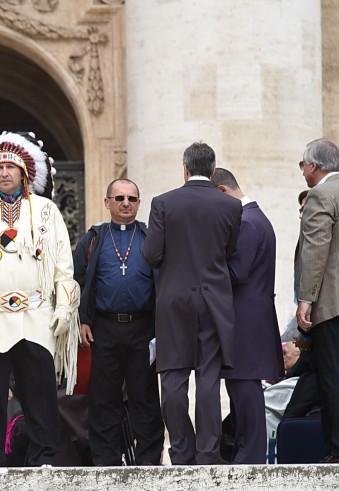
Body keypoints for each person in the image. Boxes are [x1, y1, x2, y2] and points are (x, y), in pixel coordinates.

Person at [0, 131, 80, 467]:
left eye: (12, 167)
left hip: (35, 311)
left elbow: (63, 266)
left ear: (24, 174)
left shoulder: (46, 211)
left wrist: (65, 306)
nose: (5, 172)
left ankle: (43, 458)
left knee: (39, 389)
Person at [141, 142, 242, 465]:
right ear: (213, 172)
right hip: (214, 301)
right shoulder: (230, 206)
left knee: (172, 379)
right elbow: (229, 252)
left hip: (173, 302)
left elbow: (152, 255)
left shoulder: (163, 203)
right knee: (209, 379)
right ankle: (208, 454)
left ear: (184, 169)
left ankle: (181, 452)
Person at [72, 178, 164, 466]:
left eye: (132, 199)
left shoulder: (151, 237)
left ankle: (148, 460)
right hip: (104, 328)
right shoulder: (93, 239)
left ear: (139, 203)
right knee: (104, 398)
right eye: (120, 198)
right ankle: (105, 461)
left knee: (145, 396)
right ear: (107, 202)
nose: (126, 203)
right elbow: (78, 282)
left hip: (142, 328)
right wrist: (83, 321)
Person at [210, 168, 283, 464]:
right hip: (247, 319)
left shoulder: (248, 222)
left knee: (245, 389)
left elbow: (236, 272)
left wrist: (207, 263)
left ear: (223, 193)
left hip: (246, 322)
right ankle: (244, 452)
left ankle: (250, 456)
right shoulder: (252, 218)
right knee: (240, 388)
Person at [295, 137, 339, 463]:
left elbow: (315, 250)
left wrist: (305, 300)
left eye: (303, 165)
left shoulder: (321, 194)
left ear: (314, 166)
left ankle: (335, 451)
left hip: (333, 306)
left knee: (332, 379)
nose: (303, 171)